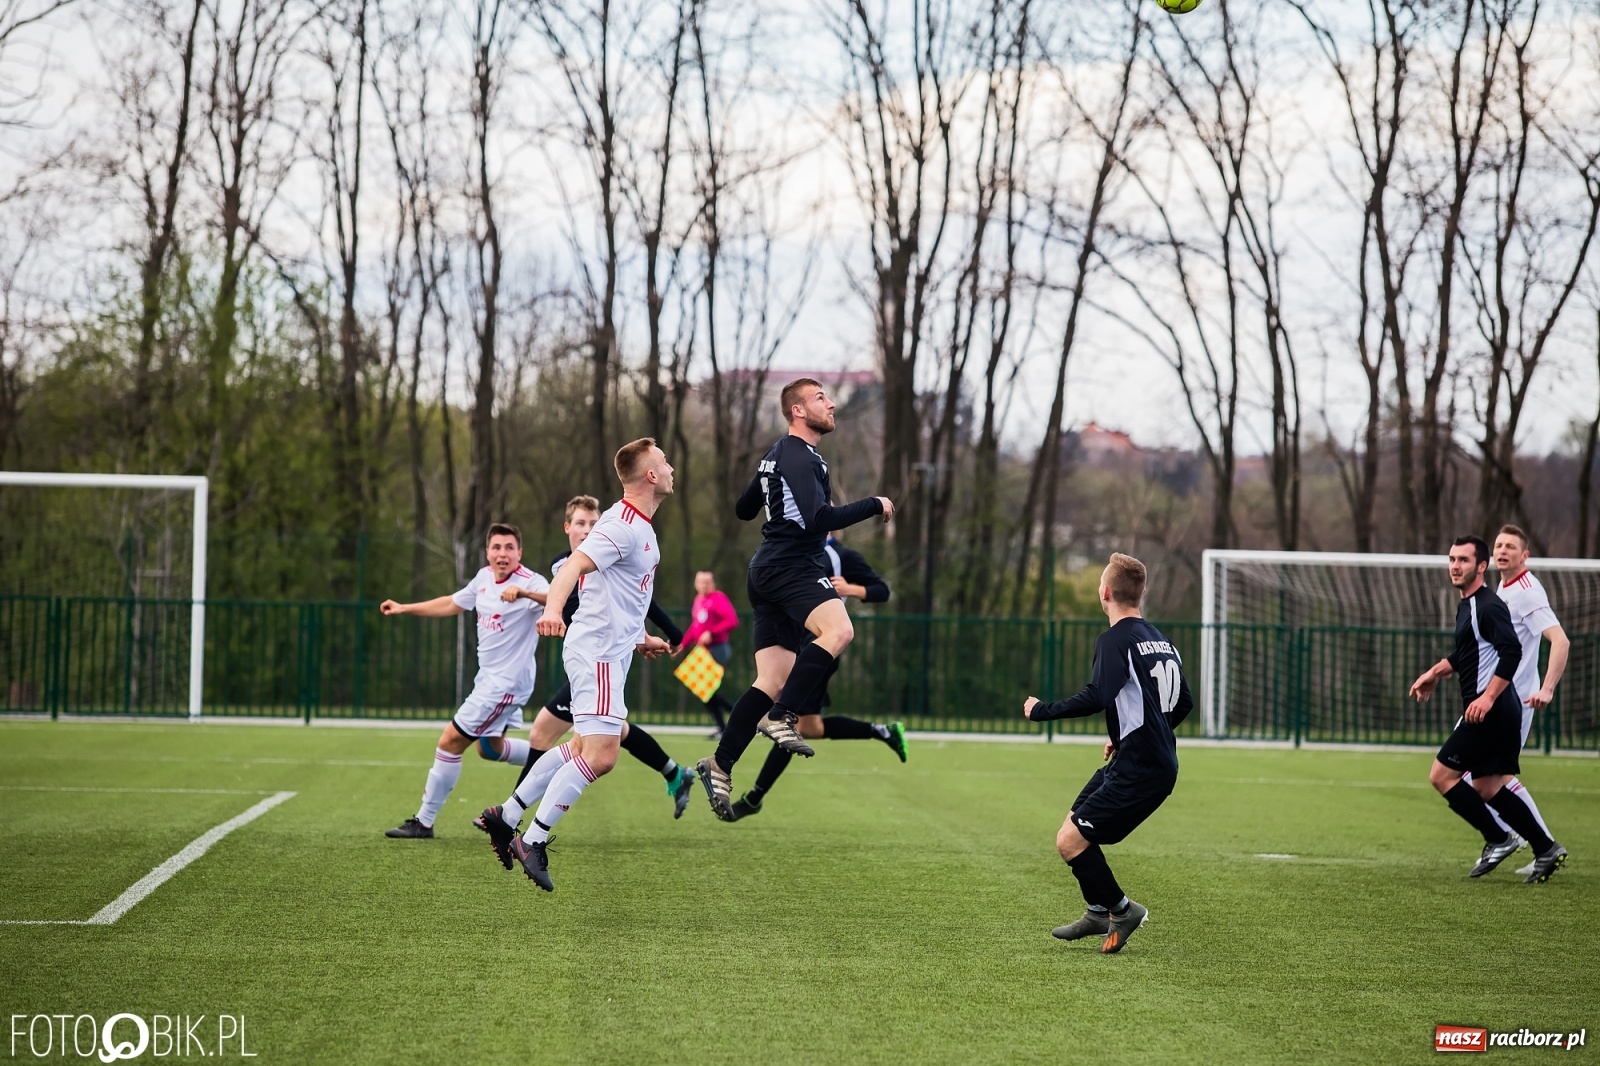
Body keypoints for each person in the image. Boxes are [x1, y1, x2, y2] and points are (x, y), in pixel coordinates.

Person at [477, 439, 675, 890]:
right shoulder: (621, 524)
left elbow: (619, 594)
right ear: (650, 475)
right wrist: (551, 610)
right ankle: (533, 840)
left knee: (583, 746)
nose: (670, 468)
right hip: (598, 653)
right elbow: (570, 569)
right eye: (664, 462)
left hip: (610, 651)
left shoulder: (640, 526)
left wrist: (640, 638)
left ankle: (506, 815)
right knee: (602, 756)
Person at [695, 378, 894, 820]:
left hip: (766, 571)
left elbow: (744, 509)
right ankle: (781, 717)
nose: (832, 403)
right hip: (792, 568)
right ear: (798, 410)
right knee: (839, 630)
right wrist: (874, 503)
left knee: (771, 681)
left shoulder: (777, 455)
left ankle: (720, 762)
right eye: (821, 397)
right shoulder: (800, 455)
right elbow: (819, 518)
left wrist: (770, 485)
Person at [489, 495, 696, 820]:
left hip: (598, 656)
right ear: (567, 527)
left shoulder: (607, 555)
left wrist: (669, 633)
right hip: (587, 656)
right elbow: (572, 590)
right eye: (580, 523)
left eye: (593, 523)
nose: (587, 529)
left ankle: (512, 813)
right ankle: (674, 772)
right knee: (612, 731)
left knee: (548, 733)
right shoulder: (563, 564)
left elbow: (639, 600)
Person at [1021, 553, 1189, 955]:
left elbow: (1098, 695)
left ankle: (1122, 910)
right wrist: (1127, 734)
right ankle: (1098, 911)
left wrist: (1042, 710)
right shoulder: (1161, 640)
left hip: (1141, 767)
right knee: (1073, 824)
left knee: (1069, 841)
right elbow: (1182, 702)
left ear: (1106, 593)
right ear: (1140, 594)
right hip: (1142, 758)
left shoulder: (1113, 639)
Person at [1409, 535, 1565, 883]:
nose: (1455, 566)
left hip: (1491, 711)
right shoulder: (1469, 604)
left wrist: (1488, 697)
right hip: (1496, 710)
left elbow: (1512, 651)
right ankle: (1545, 848)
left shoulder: (1488, 605)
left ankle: (1498, 839)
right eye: (1452, 559)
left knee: (1441, 775)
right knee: (1487, 787)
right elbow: (1466, 652)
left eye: (1463, 560)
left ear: (1482, 566)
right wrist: (1434, 673)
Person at [380, 523, 549, 839]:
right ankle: (553, 762)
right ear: (487, 552)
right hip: (488, 680)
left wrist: (525, 594)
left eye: (509, 547)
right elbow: (452, 603)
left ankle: (424, 822)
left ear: (520, 553)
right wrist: (404, 607)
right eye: (496, 547)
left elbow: (557, 598)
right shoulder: (483, 578)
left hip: (505, 685)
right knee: (489, 748)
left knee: (450, 741)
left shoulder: (530, 581)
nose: (502, 554)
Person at [727, 530, 906, 821]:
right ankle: (883, 731)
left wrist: (851, 589)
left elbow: (882, 591)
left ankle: (754, 797)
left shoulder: (840, 554)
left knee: (788, 722)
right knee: (810, 727)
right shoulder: (793, 550)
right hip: (796, 645)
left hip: (818, 651)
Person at [1479, 524, 1569, 880]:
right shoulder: (1504, 587)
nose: (1502, 551)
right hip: (1496, 698)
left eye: (1510, 547)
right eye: (1499, 545)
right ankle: (1532, 841)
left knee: (1488, 776)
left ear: (1525, 555)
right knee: (1479, 774)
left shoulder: (1528, 591)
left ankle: (1535, 842)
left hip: (1513, 702)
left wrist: (1547, 689)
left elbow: (1560, 640)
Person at [678, 569, 739, 734]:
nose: (704, 585)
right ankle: (727, 725)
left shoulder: (718, 598)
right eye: (701, 582)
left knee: (707, 690)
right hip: (703, 651)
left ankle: (735, 719)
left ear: (713, 583)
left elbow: (732, 620)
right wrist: (682, 644)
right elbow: (695, 626)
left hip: (718, 648)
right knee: (705, 691)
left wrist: (712, 632)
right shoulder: (698, 600)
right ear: (695, 584)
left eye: (707, 582)